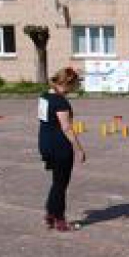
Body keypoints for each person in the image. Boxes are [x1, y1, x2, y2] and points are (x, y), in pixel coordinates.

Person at [38, 66, 87, 231]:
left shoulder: (45, 96)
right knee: (61, 184)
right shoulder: (60, 101)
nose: (74, 89)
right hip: (59, 145)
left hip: (45, 142)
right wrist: (79, 149)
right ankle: (60, 220)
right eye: (74, 86)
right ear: (67, 83)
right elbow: (66, 127)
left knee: (57, 182)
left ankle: (51, 214)